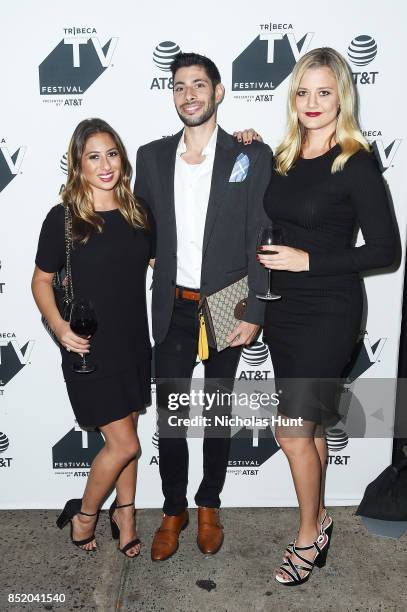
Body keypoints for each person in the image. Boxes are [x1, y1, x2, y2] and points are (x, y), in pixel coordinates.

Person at [249, 47, 397, 585]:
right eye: (304, 91)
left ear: (342, 97)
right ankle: (321, 520)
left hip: (330, 309)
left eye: (325, 92)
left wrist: (310, 260)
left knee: (290, 431)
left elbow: (386, 250)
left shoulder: (355, 159)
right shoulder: (284, 156)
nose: (312, 103)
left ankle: (309, 536)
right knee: (305, 430)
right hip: (284, 311)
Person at [134, 52, 272, 561]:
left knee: (216, 414)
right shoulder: (149, 158)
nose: (188, 94)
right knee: (171, 418)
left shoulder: (250, 156)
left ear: (218, 91)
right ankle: (173, 509)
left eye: (198, 84)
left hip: (229, 302)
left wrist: (255, 308)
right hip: (173, 304)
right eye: (179, 86)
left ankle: (209, 502)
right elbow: (139, 230)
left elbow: (261, 234)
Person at [32, 118, 153, 557]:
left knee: (126, 439)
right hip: (88, 349)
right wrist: (61, 329)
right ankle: (84, 514)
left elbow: (164, 265)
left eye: (112, 154)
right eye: (93, 157)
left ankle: (126, 514)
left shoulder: (139, 212)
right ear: (78, 165)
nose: (105, 165)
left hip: (134, 342)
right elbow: (41, 282)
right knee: (125, 444)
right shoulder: (63, 220)